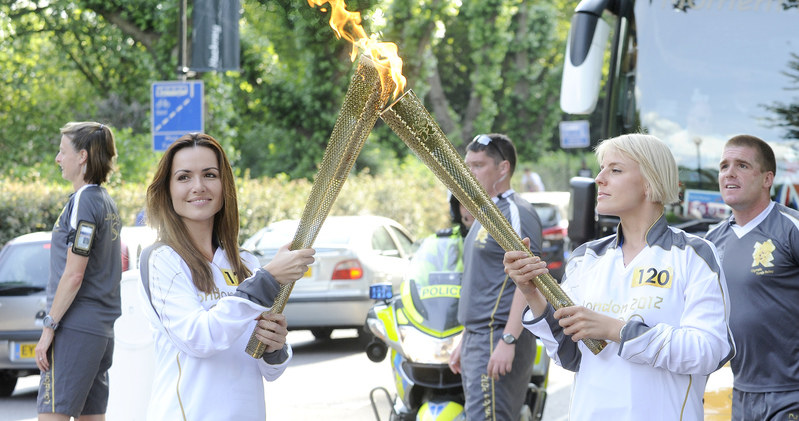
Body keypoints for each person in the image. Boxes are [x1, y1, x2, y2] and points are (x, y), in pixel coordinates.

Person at [503, 133, 734, 420]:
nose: (599, 178)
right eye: (602, 169)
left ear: (650, 182)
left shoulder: (693, 254)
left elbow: (708, 351)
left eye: (615, 170)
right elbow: (569, 356)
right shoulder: (585, 258)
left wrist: (617, 330)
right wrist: (531, 293)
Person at [138, 133, 315, 420]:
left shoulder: (244, 262)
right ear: (167, 189)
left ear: (224, 186)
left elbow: (269, 370)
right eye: (184, 177)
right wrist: (267, 280)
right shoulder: (162, 259)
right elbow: (199, 338)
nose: (198, 187)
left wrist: (275, 347)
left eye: (210, 175)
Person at [448, 133, 543, 420]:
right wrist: (466, 338)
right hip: (480, 339)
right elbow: (484, 281)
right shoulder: (487, 212)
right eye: (468, 165)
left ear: (503, 169)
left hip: (498, 337)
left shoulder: (515, 212)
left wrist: (509, 339)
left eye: (478, 165)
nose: (469, 173)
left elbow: (529, 281)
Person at [704, 134, 799, 420]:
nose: (729, 173)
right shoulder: (710, 242)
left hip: (791, 393)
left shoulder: (791, 229)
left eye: (742, 165)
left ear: (767, 178)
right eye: (724, 166)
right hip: (741, 391)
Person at [35, 122, 122, 421]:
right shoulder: (106, 201)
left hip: (75, 329)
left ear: (82, 156)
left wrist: (49, 328)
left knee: (51, 415)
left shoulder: (84, 200)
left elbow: (74, 274)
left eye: (62, 152)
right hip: (100, 331)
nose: (58, 159)